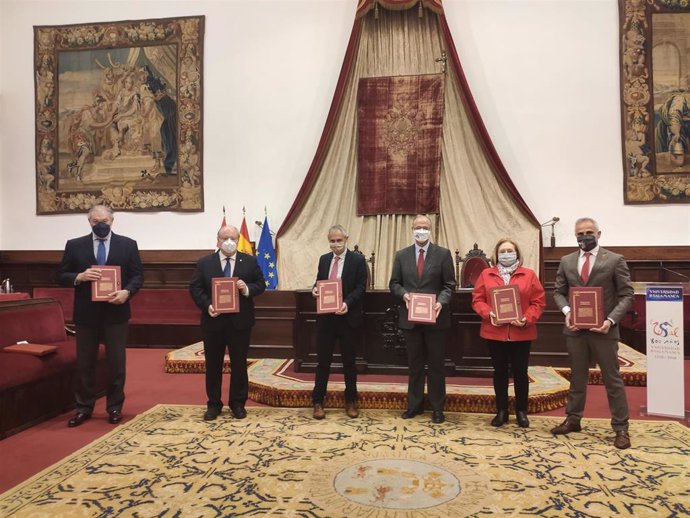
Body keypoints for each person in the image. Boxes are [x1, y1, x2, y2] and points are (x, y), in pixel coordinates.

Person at [551, 217, 634, 449]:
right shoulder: (566, 261)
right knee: (577, 377)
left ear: (598, 234)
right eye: (579, 234)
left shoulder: (615, 260)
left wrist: (610, 320)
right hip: (575, 330)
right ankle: (573, 419)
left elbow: (627, 294)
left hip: (604, 331)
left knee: (612, 380)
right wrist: (567, 311)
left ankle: (621, 428)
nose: (584, 236)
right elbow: (558, 292)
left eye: (589, 232)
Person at [58, 205, 143, 427]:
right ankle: (83, 407)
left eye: (104, 220)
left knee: (116, 363)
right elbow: (60, 275)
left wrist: (127, 292)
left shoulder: (128, 244)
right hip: (86, 314)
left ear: (112, 221)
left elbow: (137, 276)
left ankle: (114, 407)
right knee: (85, 363)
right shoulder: (75, 245)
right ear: (89, 222)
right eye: (96, 221)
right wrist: (79, 276)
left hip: (116, 313)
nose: (101, 225)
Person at [189, 225, 266, 421]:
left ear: (238, 240)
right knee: (213, 364)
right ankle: (214, 404)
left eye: (233, 238)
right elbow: (196, 289)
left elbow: (261, 284)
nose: (229, 242)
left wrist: (246, 288)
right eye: (225, 238)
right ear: (218, 241)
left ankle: (237, 403)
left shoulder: (249, 261)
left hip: (240, 323)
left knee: (239, 364)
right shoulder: (205, 263)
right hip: (213, 322)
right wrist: (208, 306)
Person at [471, 238, 545, 428]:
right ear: (496, 254)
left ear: (517, 253)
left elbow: (538, 302)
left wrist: (526, 319)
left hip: (522, 332)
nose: (506, 254)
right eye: (502, 251)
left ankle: (521, 411)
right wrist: (489, 314)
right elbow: (477, 300)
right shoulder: (486, 274)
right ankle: (501, 411)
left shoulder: (529, 274)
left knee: (521, 373)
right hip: (494, 332)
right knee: (500, 372)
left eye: (510, 251)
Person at [389, 214, 456, 424]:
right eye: (418, 227)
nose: (421, 230)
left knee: (436, 365)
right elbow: (394, 283)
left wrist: (440, 302)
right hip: (410, 320)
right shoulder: (401, 255)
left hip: (436, 319)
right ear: (412, 229)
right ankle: (414, 406)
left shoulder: (443, 255)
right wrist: (404, 295)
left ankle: (437, 408)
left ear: (431, 230)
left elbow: (449, 285)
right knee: (415, 365)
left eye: (425, 227)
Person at [311, 225, 368, 420]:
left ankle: (351, 401)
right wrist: (314, 290)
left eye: (339, 240)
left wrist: (347, 303)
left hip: (347, 318)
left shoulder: (358, 260)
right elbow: (319, 281)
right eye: (332, 241)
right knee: (323, 362)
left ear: (346, 239)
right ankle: (318, 401)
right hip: (326, 318)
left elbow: (361, 287)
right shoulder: (324, 259)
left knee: (349, 362)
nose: (335, 244)